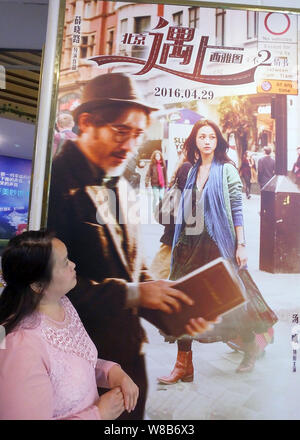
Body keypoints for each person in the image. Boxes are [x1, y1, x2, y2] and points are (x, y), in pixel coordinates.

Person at [47, 72, 211, 419]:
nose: (130, 145)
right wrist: (135, 294)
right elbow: (47, 288)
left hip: (128, 366)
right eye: (121, 131)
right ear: (86, 122)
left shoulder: (120, 184)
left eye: (137, 135)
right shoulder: (55, 184)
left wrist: (173, 313)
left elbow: (133, 267)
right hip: (83, 369)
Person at [157, 120, 278, 384]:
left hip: (217, 245)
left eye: (212, 136)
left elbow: (236, 208)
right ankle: (183, 366)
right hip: (188, 246)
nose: (207, 141)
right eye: (202, 136)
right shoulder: (191, 171)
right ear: (195, 141)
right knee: (182, 303)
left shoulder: (227, 171)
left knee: (232, 303)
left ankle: (250, 347)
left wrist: (241, 245)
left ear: (218, 141)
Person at [0, 230, 139, 420]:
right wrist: (99, 414)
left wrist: (111, 372)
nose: (73, 265)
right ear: (37, 285)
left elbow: (70, 365)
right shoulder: (21, 347)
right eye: (65, 263)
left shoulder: (62, 303)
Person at [150, 153, 192, 280]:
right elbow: (187, 194)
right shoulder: (187, 166)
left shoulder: (189, 166)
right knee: (159, 271)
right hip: (175, 227)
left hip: (180, 227)